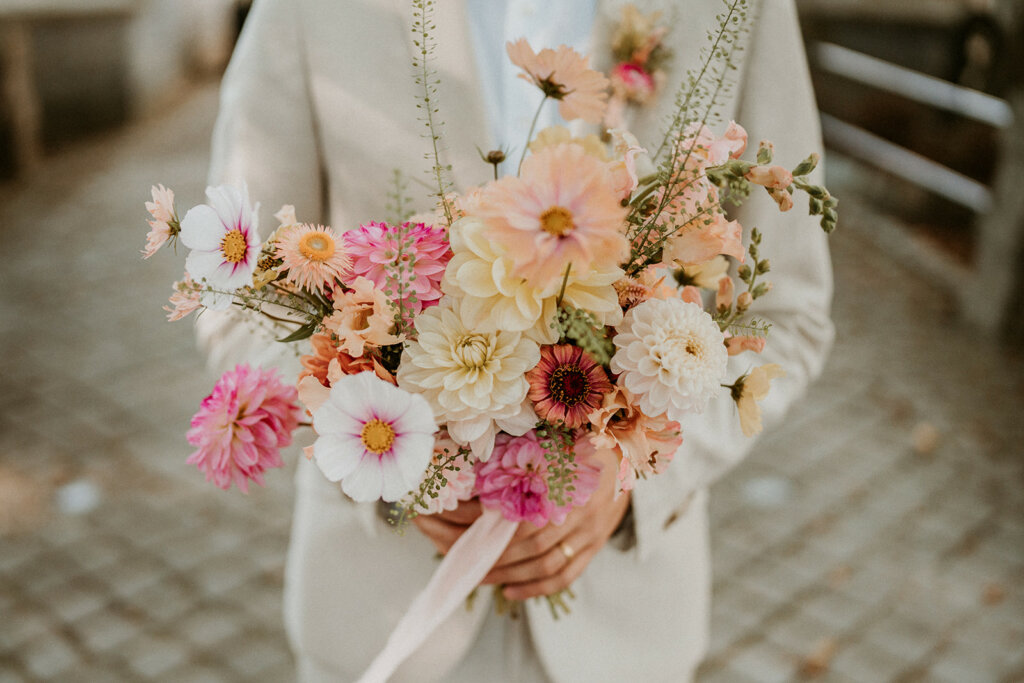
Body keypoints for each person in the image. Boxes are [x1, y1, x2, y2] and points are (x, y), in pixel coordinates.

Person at [197, 0, 834, 680]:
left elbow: (788, 313)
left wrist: (635, 478)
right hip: (383, 611)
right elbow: (237, 293)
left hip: (622, 629)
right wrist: (381, 449)